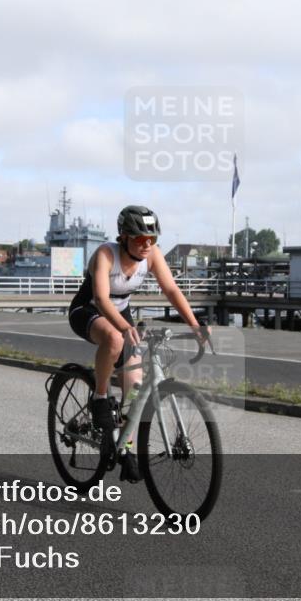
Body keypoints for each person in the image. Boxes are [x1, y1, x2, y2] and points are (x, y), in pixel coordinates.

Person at [68, 205, 209, 480]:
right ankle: (99, 398)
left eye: (152, 239)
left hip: (120, 314)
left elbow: (171, 289)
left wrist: (194, 324)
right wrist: (124, 327)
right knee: (113, 338)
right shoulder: (106, 255)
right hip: (89, 310)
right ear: (124, 236)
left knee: (134, 385)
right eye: (140, 239)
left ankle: (126, 447)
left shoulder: (152, 256)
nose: (147, 245)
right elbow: (101, 299)